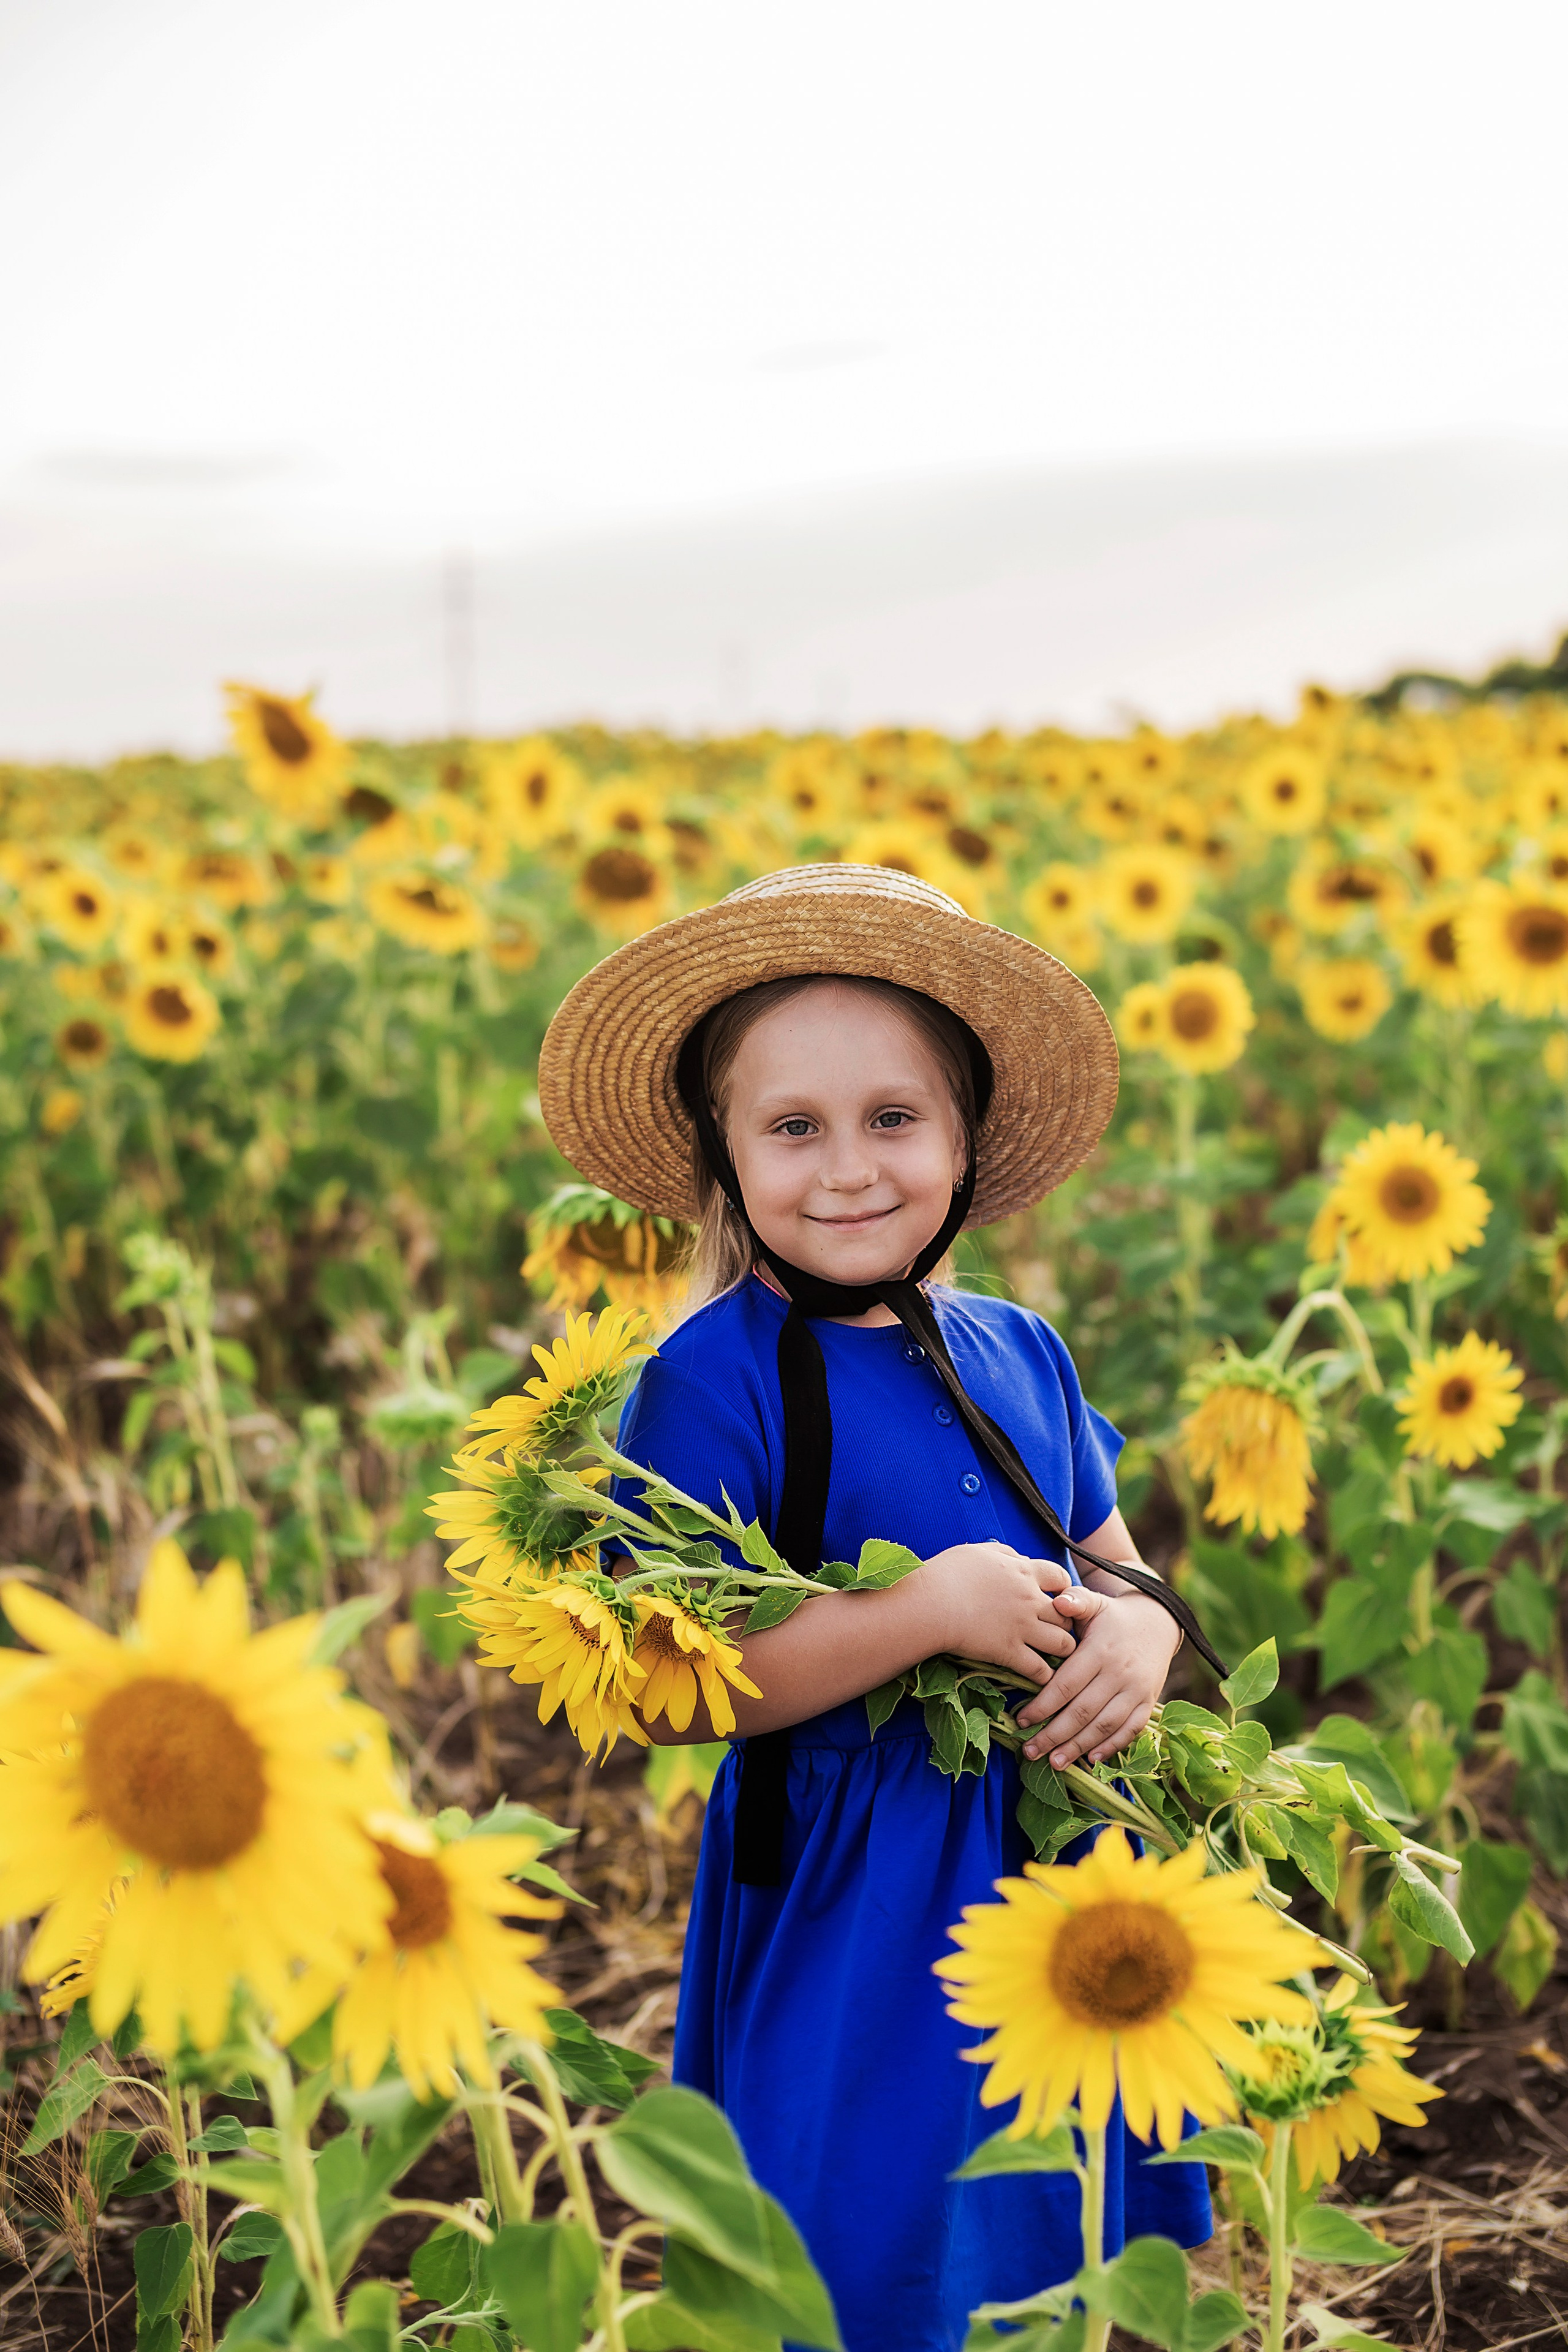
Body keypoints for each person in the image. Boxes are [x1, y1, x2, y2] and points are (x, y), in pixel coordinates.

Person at [537, 864, 1212, 2352]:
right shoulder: (709, 1385)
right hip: (857, 1892)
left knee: (1059, 2229)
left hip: (1050, 1847)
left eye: (891, 1118)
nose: (846, 1169)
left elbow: (1113, 1558)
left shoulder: (1018, 1349)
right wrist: (923, 1612)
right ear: (725, 1157)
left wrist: (1144, 1632)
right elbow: (671, 1687)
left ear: (965, 1141)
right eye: (793, 1127)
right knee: (866, 2241)